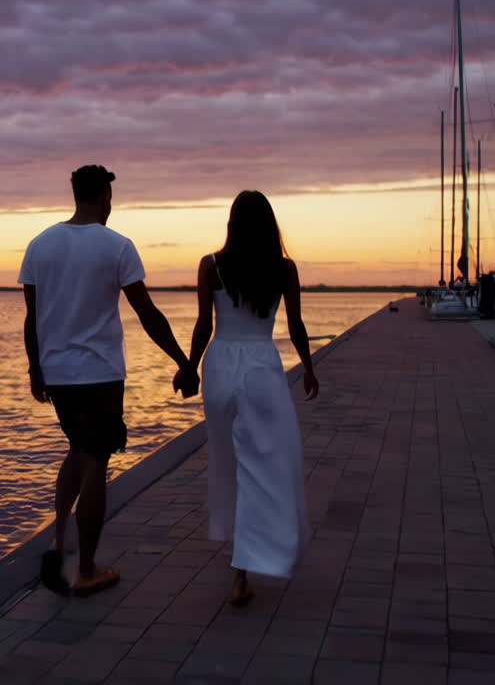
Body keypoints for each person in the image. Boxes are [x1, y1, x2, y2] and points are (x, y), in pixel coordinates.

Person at [20, 164, 199, 597]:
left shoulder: (39, 245)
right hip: (100, 374)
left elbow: (32, 319)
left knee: (78, 450)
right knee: (97, 461)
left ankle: (59, 539)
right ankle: (86, 570)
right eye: (110, 197)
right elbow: (148, 313)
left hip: (58, 373)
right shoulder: (117, 246)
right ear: (104, 197)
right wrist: (184, 361)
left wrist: (35, 369)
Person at [180, 190, 317, 606]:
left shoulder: (212, 265)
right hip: (261, 368)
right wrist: (309, 369)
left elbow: (204, 324)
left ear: (232, 223)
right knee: (270, 464)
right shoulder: (284, 268)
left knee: (230, 465)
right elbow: (295, 324)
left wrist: (189, 367)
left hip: (221, 366)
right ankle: (253, 560)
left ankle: (241, 564)